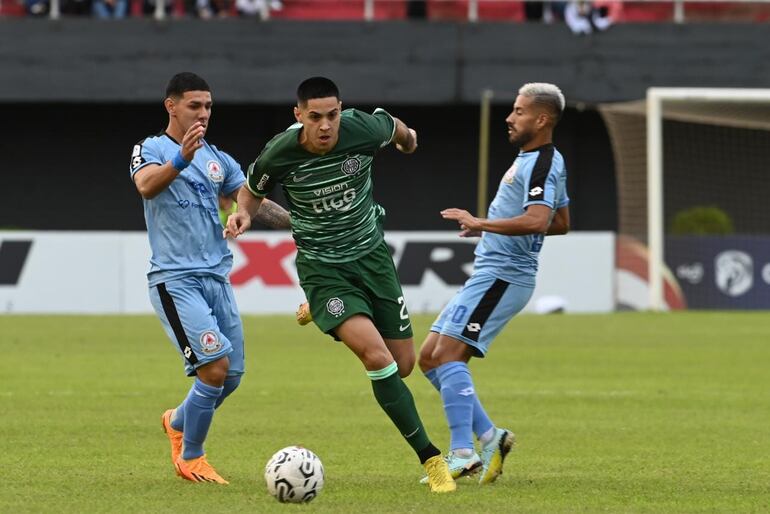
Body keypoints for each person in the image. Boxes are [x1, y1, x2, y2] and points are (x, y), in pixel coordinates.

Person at [224, 76, 456, 493]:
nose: (326, 125)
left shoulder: (363, 129)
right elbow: (251, 192)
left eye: (332, 114)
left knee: (403, 365)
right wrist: (244, 214)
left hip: (373, 260)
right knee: (377, 358)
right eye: (315, 117)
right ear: (299, 117)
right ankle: (432, 458)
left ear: (341, 110)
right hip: (323, 269)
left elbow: (401, 132)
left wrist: (408, 140)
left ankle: (328, 309)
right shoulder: (279, 152)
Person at [130, 72, 290, 485]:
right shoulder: (151, 148)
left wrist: (269, 218)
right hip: (175, 278)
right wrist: (180, 159)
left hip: (216, 277)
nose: (203, 114)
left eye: (208, 107)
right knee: (214, 368)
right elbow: (146, 186)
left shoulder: (218, 156)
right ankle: (192, 457)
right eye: (194, 106)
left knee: (230, 375)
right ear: (172, 106)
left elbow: (247, 195)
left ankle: (177, 421)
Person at [417, 82, 570, 485]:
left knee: (449, 355)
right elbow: (561, 222)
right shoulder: (537, 160)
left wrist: (482, 223)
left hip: (504, 276)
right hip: (491, 272)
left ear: (541, 119)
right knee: (430, 357)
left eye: (519, 111)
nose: (509, 117)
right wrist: (495, 230)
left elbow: (538, 220)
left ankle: (463, 452)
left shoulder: (541, 163)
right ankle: (491, 436)